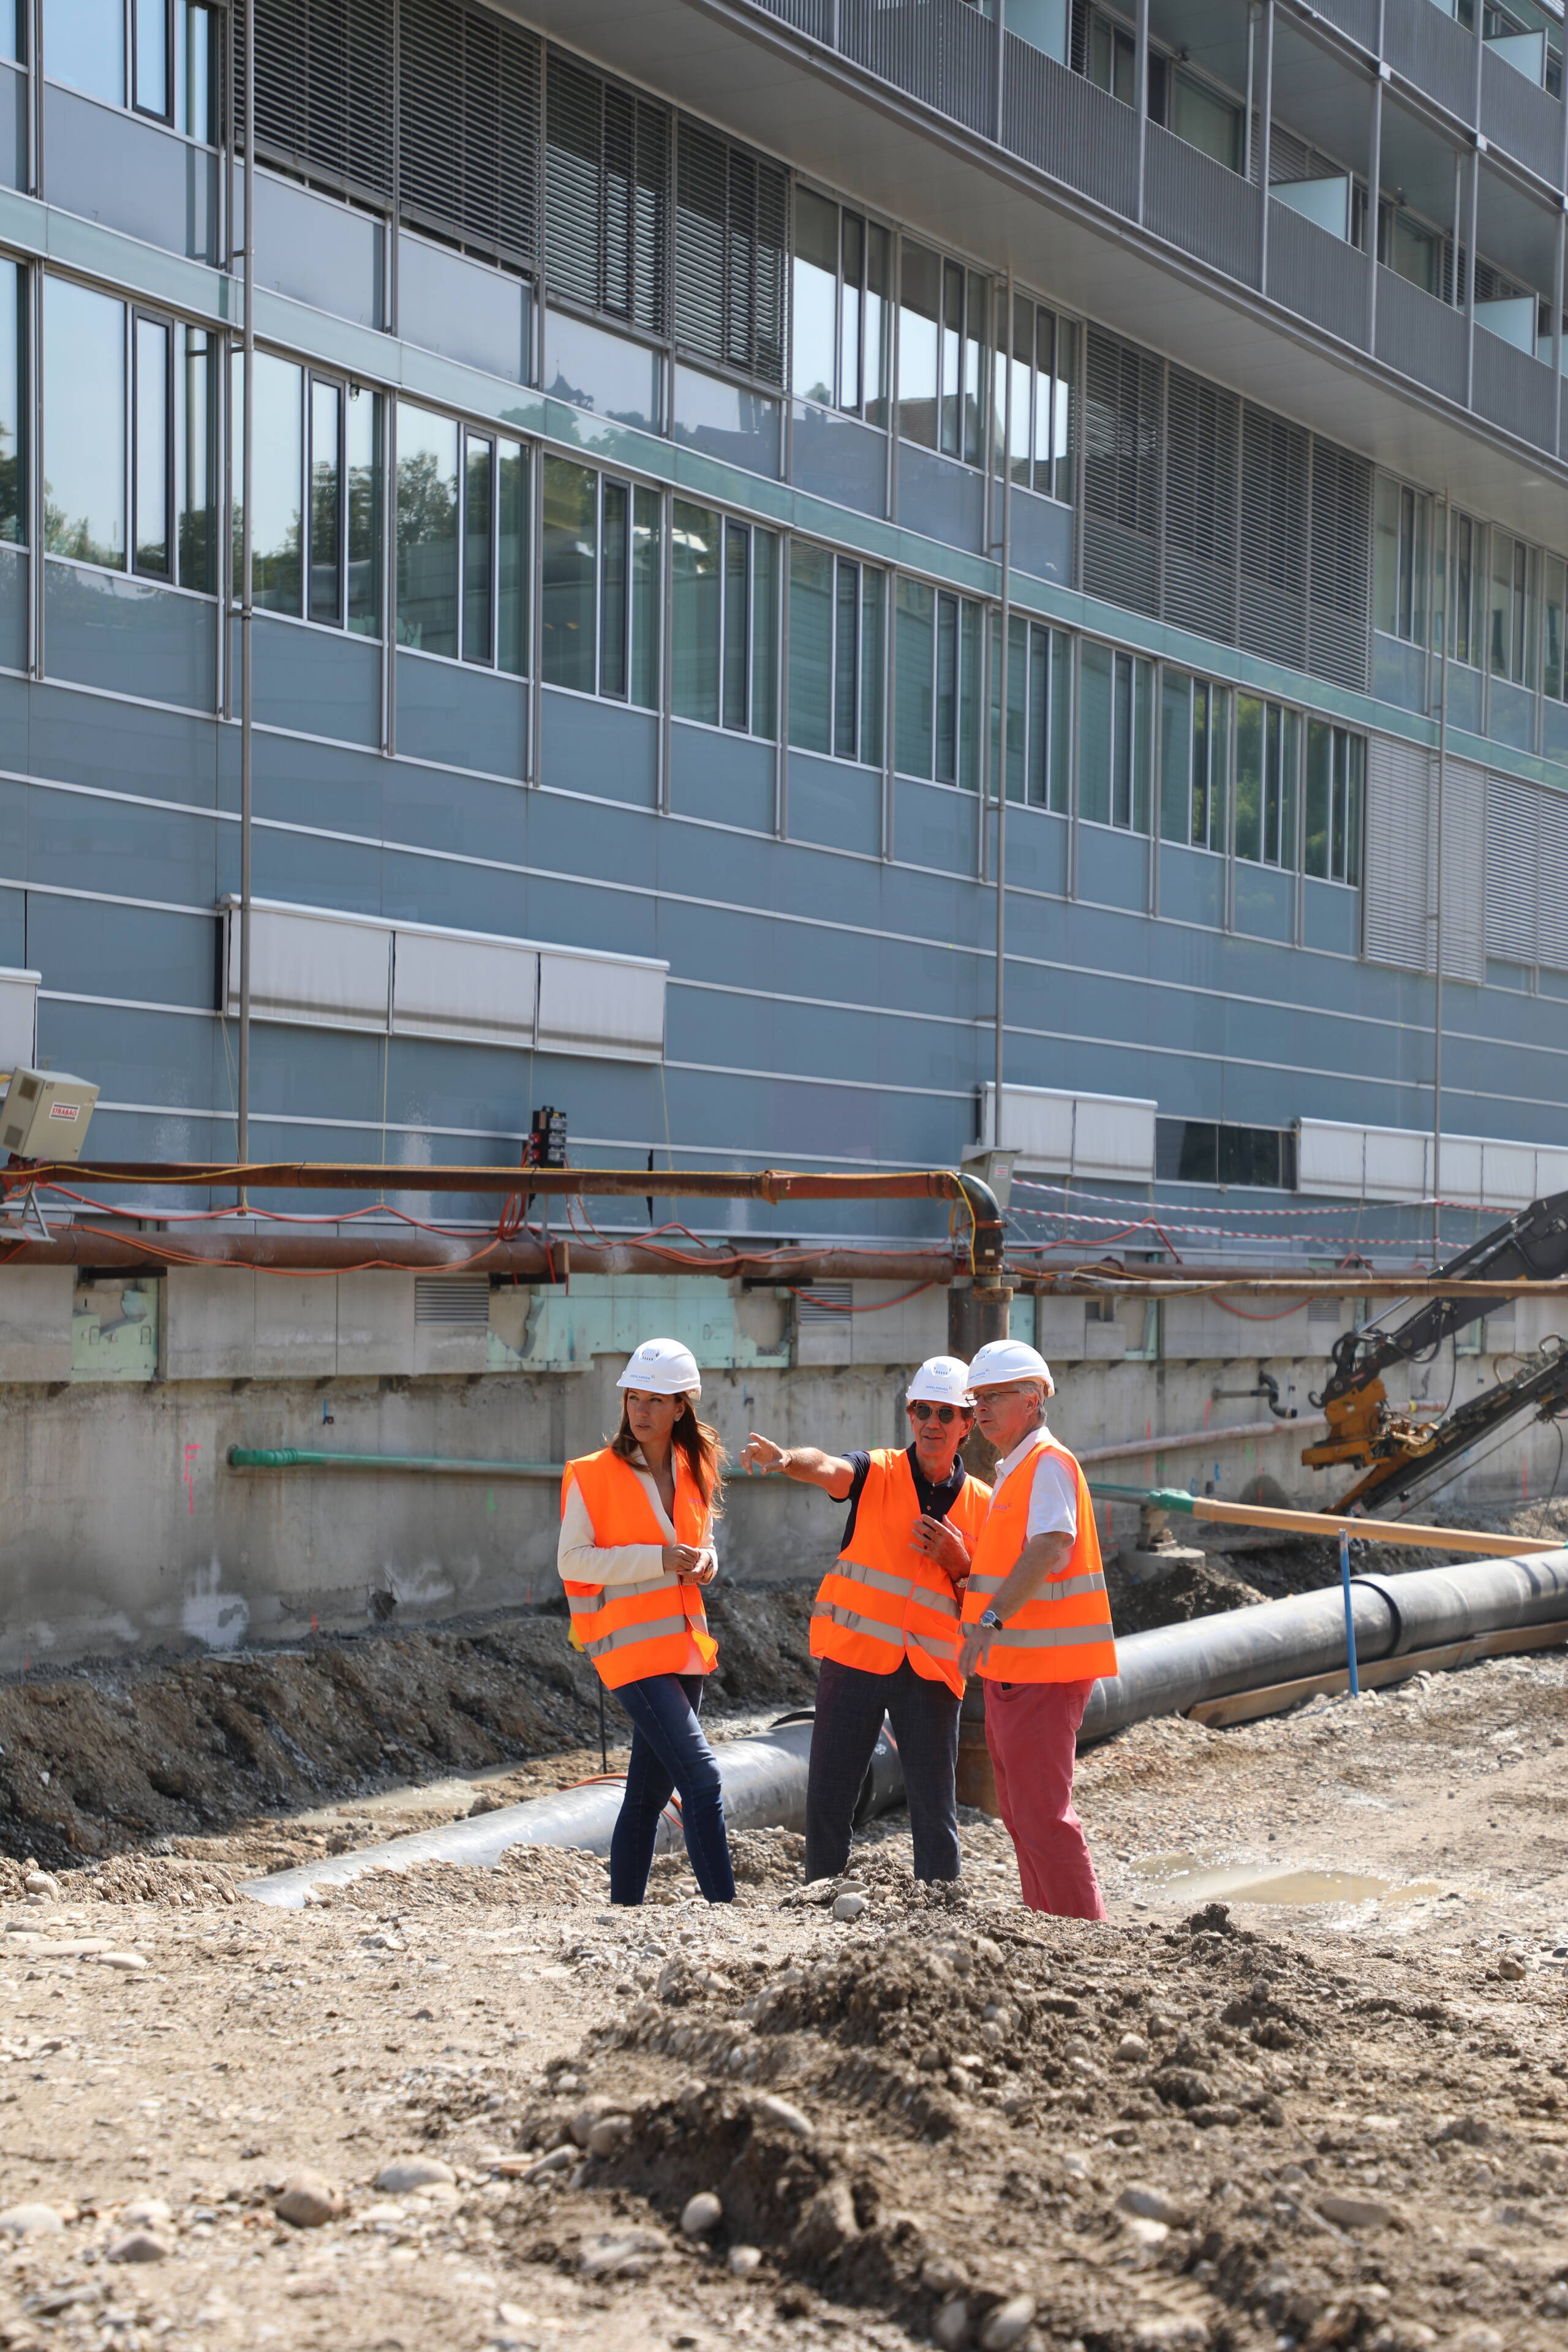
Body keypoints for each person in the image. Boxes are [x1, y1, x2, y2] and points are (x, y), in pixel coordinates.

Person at [739, 1357, 992, 1885]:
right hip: (855, 1658)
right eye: (923, 1410)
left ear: (967, 1425)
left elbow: (992, 1601)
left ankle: (939, 1906)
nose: (933, 1422)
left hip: (931, 1670)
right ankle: (819, 1898)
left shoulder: (983, 1507)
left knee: (934, 1806)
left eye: (947, 1413)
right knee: (830, 1790)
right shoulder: (876, 1471)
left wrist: (961, 1562)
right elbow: (827, 1466)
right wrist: (787, 1458)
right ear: (909, 1413)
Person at [557, 1336, 735, 1907]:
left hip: (683, 1647)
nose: (642, 1409)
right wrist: (655, 1558)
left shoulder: (694, 1467)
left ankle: (624, 1914)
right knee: (703, 1781)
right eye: (635, 1396)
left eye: (657, 1400)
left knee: (644, 1798)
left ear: (681, 1407)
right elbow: (572, 1561)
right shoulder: (591, 1474)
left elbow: (702, 1543)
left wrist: (707, 1561)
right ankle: (726, 1914)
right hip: (629, 1652)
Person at [957, 1338, 1117, 1921]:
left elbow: (1051, 1545)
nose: (980, 1410)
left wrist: (990, 1619)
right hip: (1017, 1671)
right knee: (1024, 1814)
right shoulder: (1018, 1469)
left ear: (1032, 1399)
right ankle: (1050, 1931)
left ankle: (1084, 1938)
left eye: (993, 1397)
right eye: (977, 1399)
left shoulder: (1048, 1464)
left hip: (1043, 1673)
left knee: (1043, 1815)